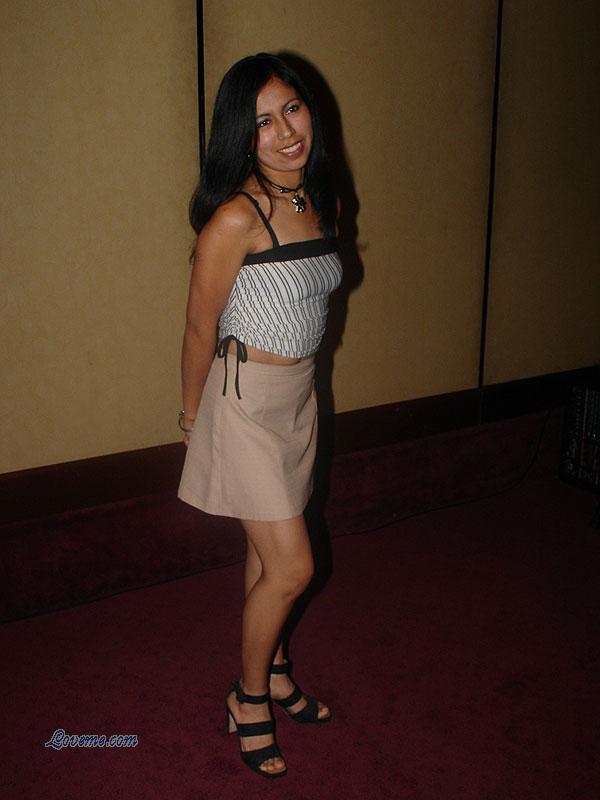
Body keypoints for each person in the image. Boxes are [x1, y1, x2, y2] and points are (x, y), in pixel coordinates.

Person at [177, 53, 342, 779]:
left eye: (292, 110)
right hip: (243, 403)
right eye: (262, 122)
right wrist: (193, 420)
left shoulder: (321, 199)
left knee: (266, 554)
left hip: (299, 397)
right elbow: (197, 329)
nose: (285, 132)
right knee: (293, 567)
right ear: (239, 137)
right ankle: (247, 700)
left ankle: (274, 671)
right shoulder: (235, 219)